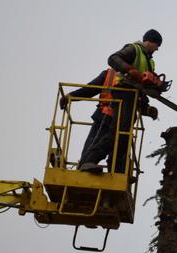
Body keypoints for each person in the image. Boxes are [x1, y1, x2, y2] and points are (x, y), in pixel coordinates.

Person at [61, 29, 163, 174]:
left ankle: (117, 174)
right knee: (103, 139)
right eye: (156, 44)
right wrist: (70, 96)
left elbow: (139, 92)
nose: (157, 48)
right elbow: (89, 89)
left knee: (122, 141)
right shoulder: (117, 66)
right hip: (105, 115)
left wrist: (147, 109)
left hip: (127, 108)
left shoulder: (149, 63)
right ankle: (86, 164)